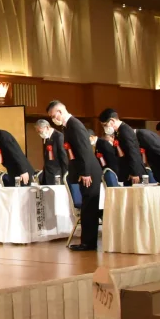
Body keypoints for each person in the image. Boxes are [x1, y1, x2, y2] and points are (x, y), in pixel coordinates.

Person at [49, 101, 101, 251]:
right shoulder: (68, 126)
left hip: (89, 171)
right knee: (86, 207)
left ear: (59, 111)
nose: (53, 119)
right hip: (83, 171)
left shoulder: (75, 124)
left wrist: (85, 172)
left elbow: (84, 149)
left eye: (53, 115)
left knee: (89, 208)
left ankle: (88, 243)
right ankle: (87, 241)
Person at [99, 109, 144, 185]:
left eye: (105, 125)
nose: (104, 128)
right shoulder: (119, 131)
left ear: (112, 121)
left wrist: (135, 173)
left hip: (134, 173)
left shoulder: (125, 131)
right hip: (127, 172)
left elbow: (133, 152)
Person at [35, 119, 68, 185]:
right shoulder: (46, 138)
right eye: (38, 132)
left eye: (40, 132)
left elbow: (63, 156)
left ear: (47, 127)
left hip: (57, 174)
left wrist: (65, 175)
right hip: (47, 173)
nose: (39, 134)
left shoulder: (59, 136)